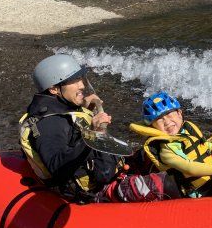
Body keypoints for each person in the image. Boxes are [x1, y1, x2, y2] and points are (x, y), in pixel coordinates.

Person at [19, 54, 177, 203]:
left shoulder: (61, 106)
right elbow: (57, 167)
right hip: (97, 189)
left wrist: (83, 103)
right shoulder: (49, 124)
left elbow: (71, 123)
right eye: (73, 81)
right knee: (169, 183)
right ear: (54, 89)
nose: (81, 85)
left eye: (80, 79)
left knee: (156, 152)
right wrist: (93, 133)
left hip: (106, 166)